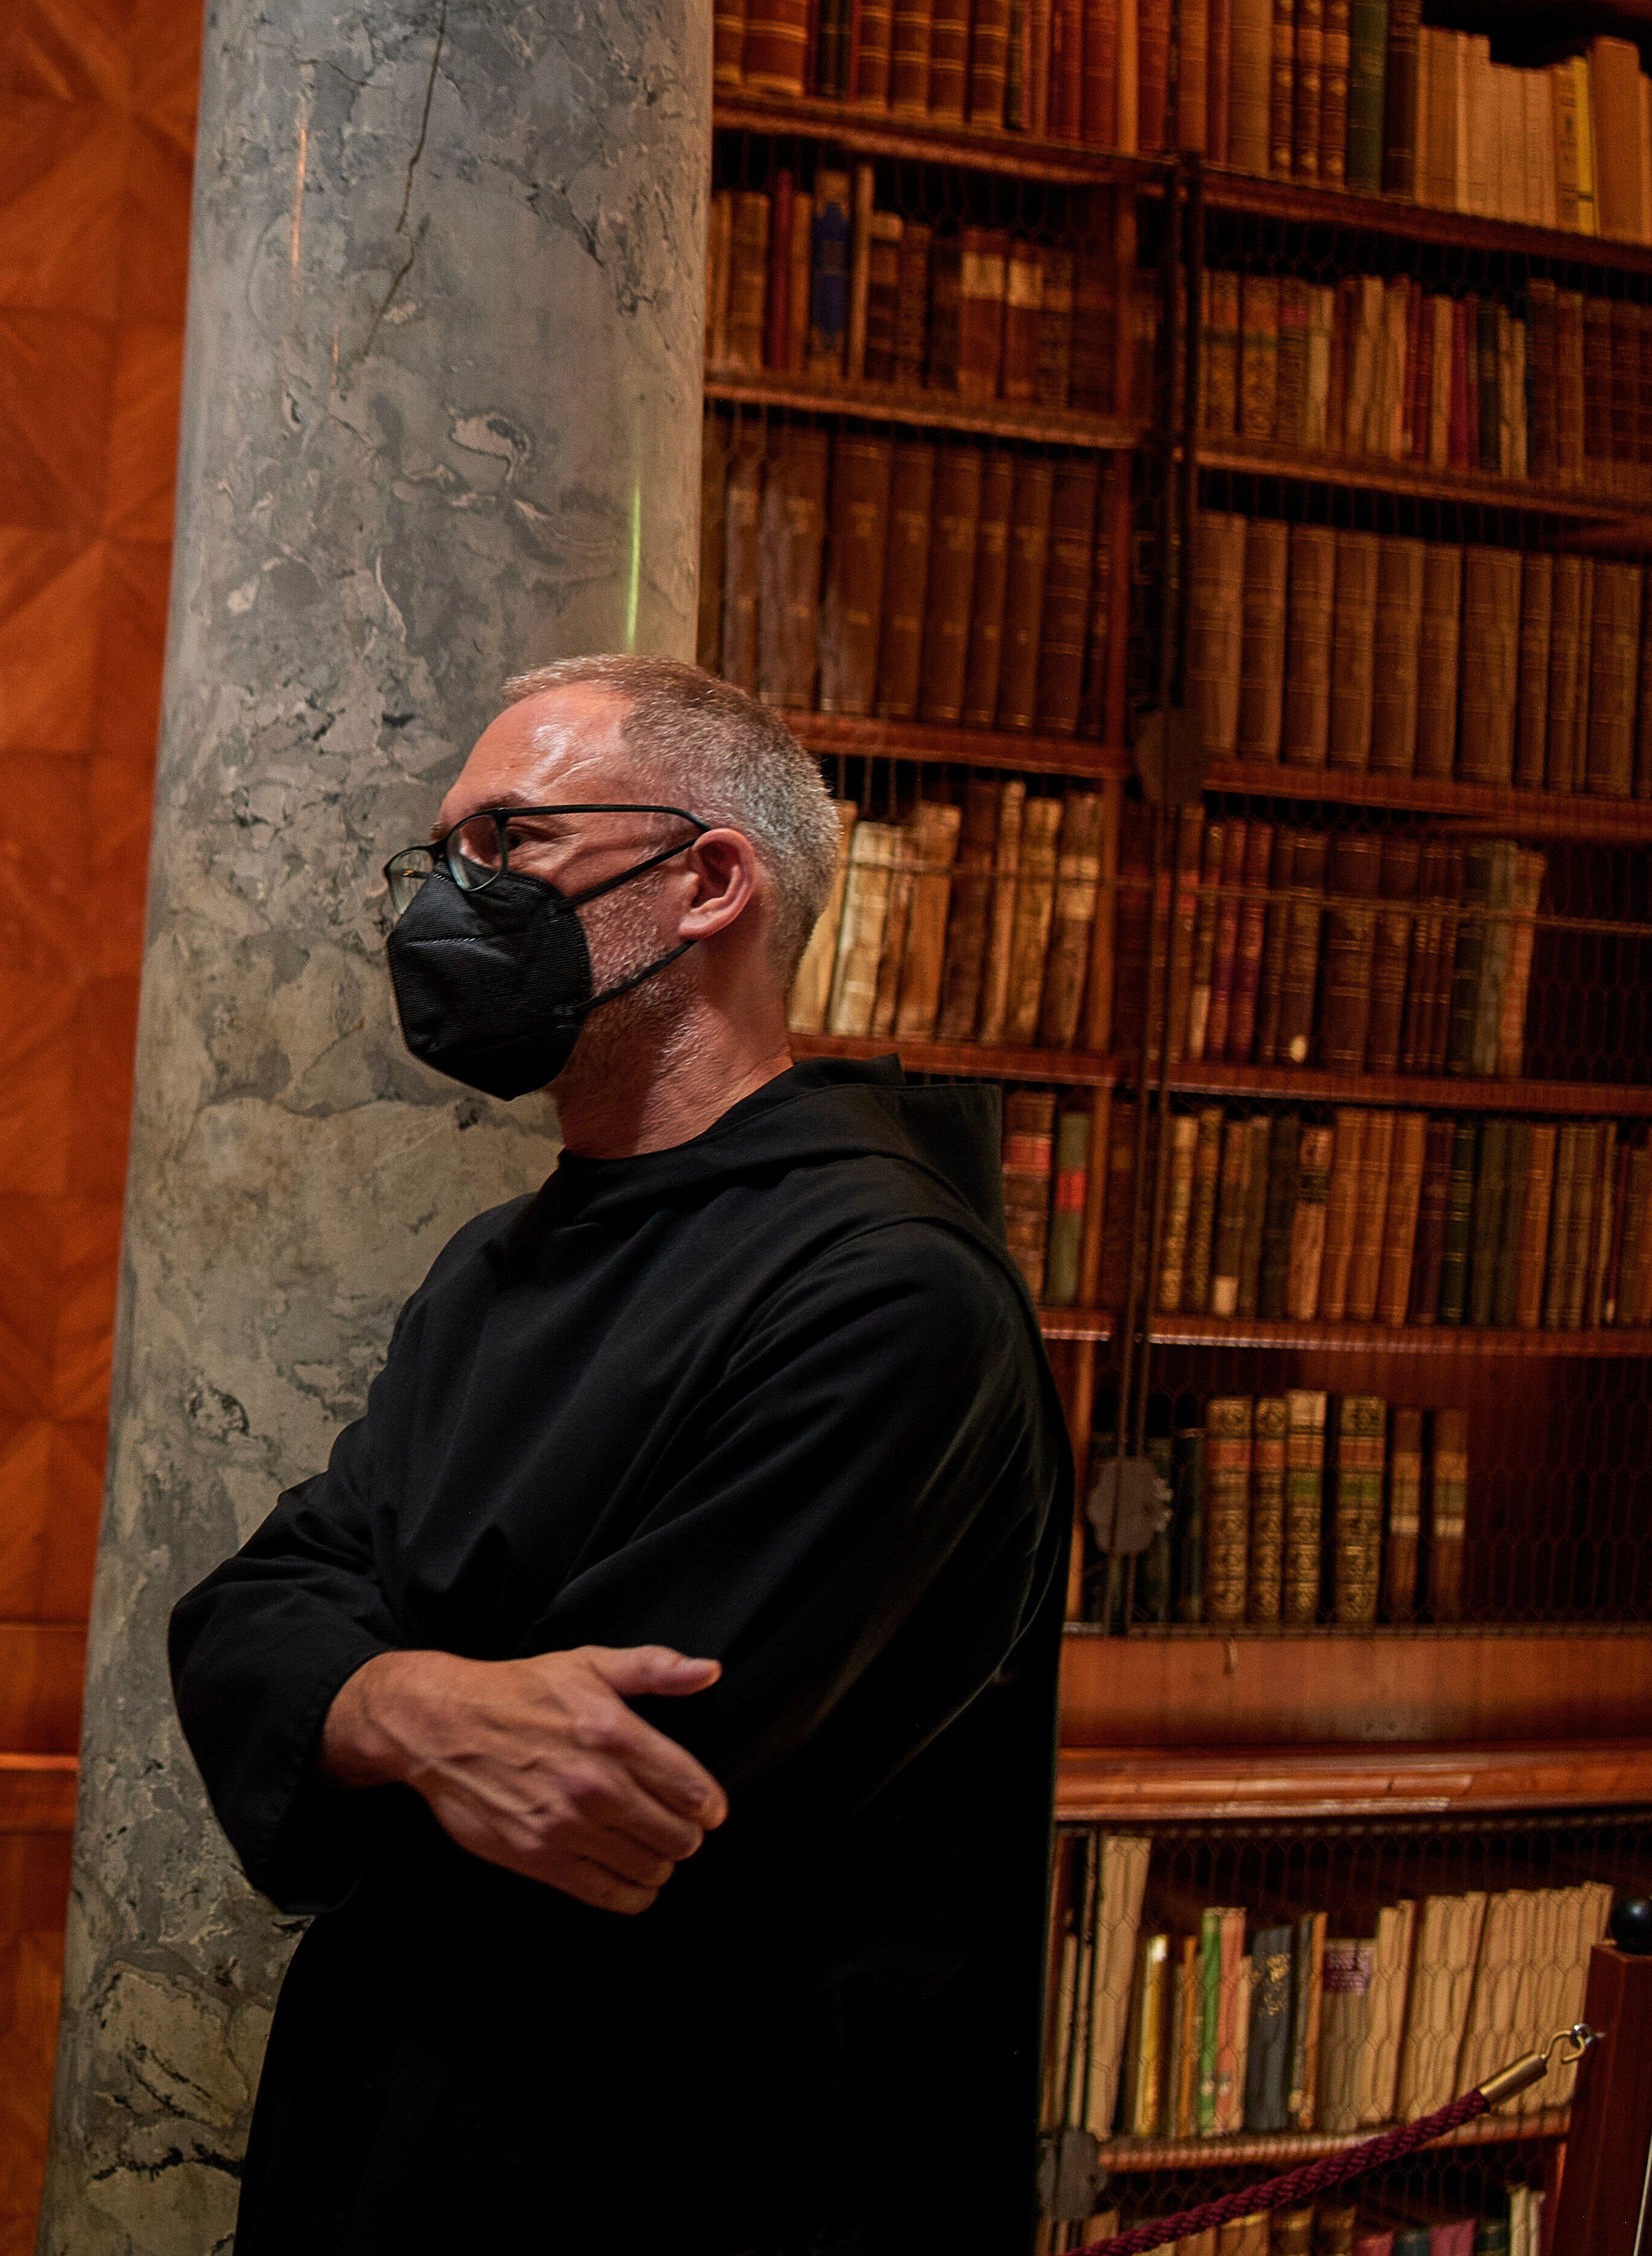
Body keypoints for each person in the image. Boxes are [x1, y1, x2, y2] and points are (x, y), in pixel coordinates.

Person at [169, 654, 1068, 2254]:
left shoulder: (890, 1294)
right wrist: (415, 1704)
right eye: (437, 855)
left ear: (707, 882)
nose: (444, 900)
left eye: (507, 843)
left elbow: (609, 1795)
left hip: (678, 2183)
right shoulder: (498, 1266)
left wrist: (350, 1704)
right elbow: (258, 1604)